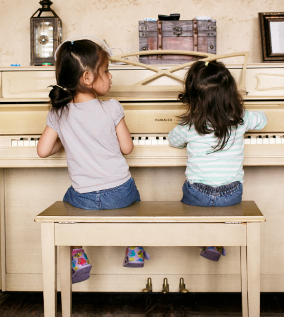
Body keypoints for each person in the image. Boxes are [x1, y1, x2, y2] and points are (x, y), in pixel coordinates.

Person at [37, 39, 148, 283]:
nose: (111, 77)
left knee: (68, 199)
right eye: (107, 71)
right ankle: (134, 247)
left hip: (84, 198)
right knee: (135, 200)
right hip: (120, 193)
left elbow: (43, 151)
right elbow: (127, 148)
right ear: (87, 78)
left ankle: (78, 255)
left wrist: (66, 140)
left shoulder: (59, 112)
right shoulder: (111, 107)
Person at [168, 60, 267, 261]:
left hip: (198, 193)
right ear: (230, 94)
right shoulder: (241, 118)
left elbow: (173, 140)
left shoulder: (190, 125)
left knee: (189, 195)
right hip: (231, 192)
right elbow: (263, 120)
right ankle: (215, 240)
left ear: (194, 98)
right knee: (222, 202)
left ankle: (203, 237)